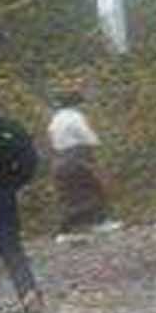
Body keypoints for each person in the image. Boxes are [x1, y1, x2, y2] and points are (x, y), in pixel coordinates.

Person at [0, 87, 44, 313]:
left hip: (0, 194)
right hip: (1, 196)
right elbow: (29, 161)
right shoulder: (9, 129)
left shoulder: (9, 130)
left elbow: (29, 162)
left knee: (8, 247)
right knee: (10, 247)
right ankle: (28, 293)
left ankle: (29, 295)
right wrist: (13, 184)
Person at [48, 89, 121, 240]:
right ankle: (99, 222)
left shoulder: (55, 119)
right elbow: (88, 137)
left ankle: (65, 230)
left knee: (70, 194)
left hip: (60, 157)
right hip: (78, 155)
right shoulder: (75, 117)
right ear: (76, 103)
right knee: (92, 187)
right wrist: (97, 145)